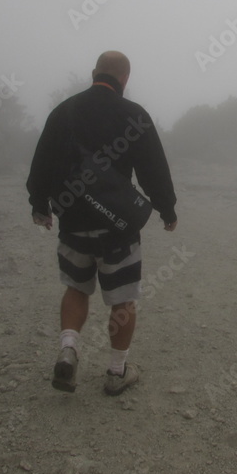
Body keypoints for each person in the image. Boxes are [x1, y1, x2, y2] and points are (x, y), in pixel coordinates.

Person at [26, 51, 177, 396]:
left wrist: (39, 206)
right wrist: (167, 210)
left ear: (94, 72)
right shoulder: (133, 114)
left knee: (76, 289)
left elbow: (41, 163)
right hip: (118, 226)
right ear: (125, 78)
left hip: (73, 221)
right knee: (122, 300)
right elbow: (153, 169)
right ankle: (116, 372)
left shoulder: (63, 111)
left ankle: (68, 349)